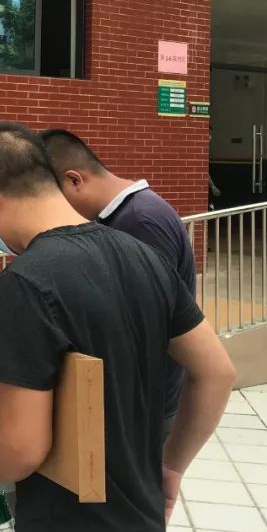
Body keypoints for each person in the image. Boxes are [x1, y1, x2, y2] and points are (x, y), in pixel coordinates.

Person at [0, 123, 235, 532]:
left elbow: (22, 447)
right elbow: (217, 371)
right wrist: (171, 466)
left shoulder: (27, 280)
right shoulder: (143, 257)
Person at [40, 129, 196, 439]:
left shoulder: (140, 221)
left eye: (50, 199)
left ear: (74, 180)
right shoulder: (119, 218)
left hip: (143, 404)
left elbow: (144, 324)